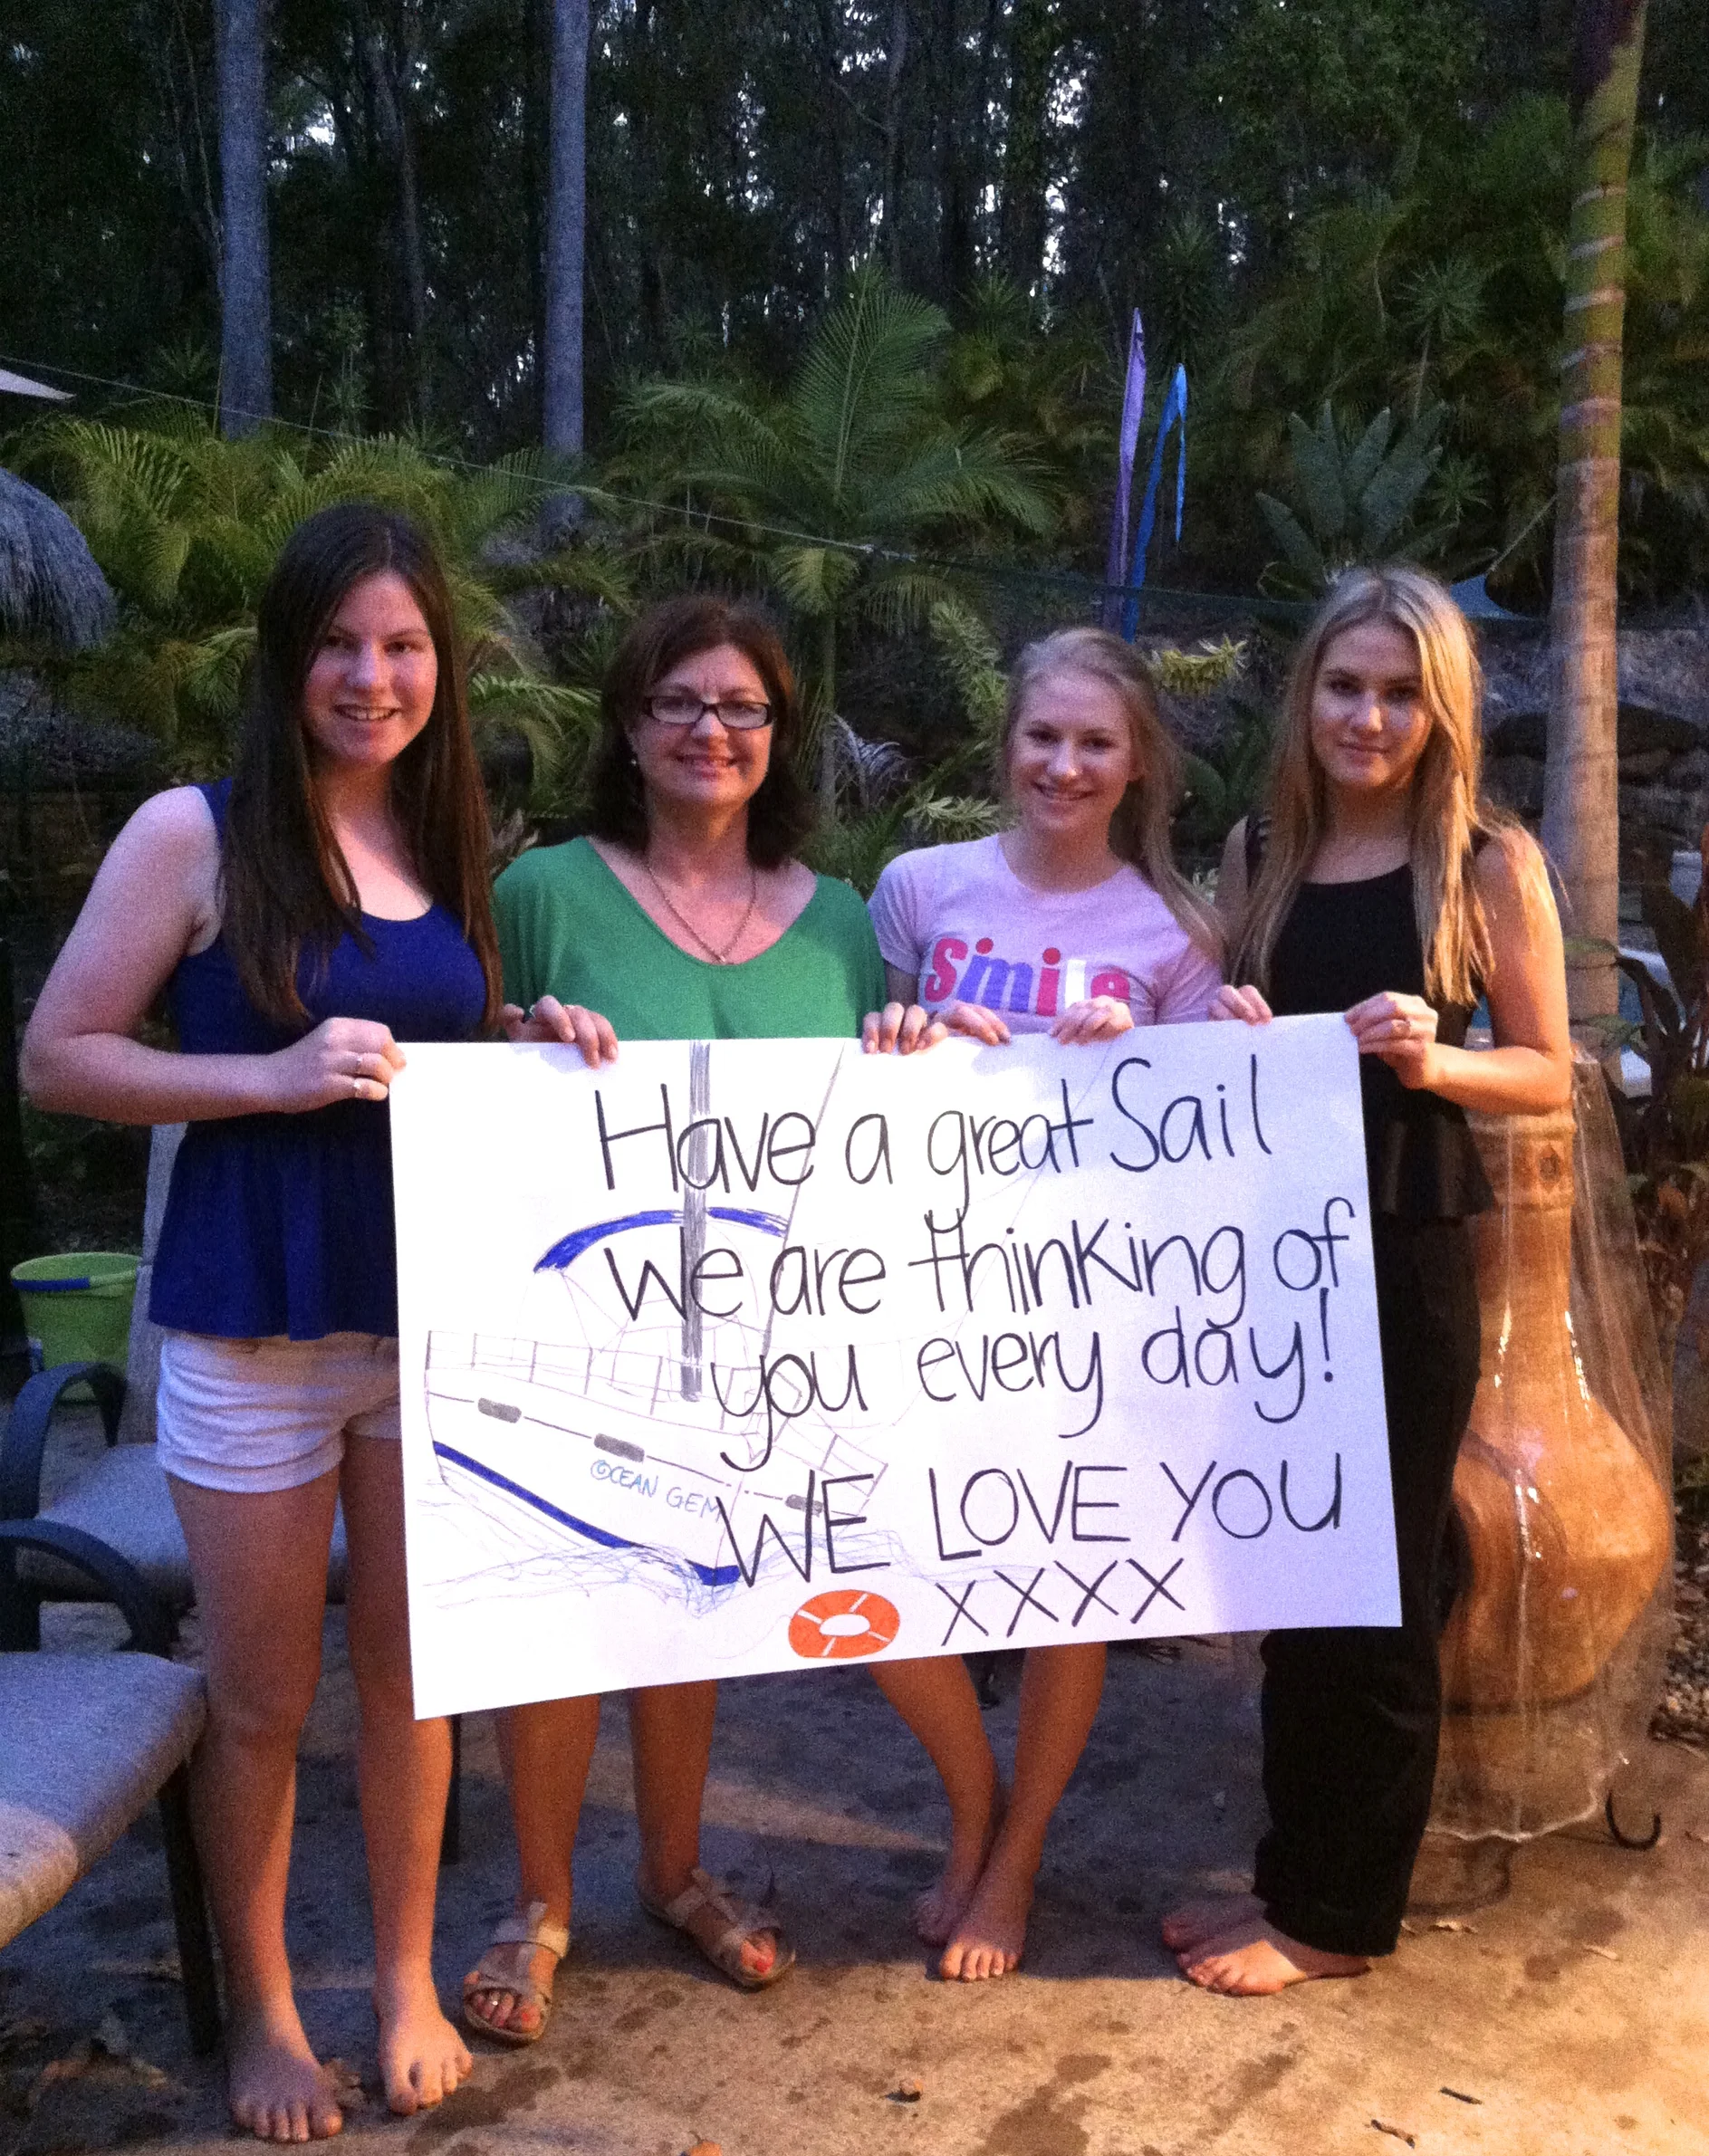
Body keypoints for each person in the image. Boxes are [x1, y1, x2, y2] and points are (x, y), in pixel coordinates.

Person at [21, 504, 495, 2136]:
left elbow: (456, 1044)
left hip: (421, 1328)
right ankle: (270, 2014)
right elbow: (59, 1054)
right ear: (290, 656)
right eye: (341, 644)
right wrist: (265, 1078)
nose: (372, 677)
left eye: (405, 646)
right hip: (250, 1335)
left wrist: (536, 1028)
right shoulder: (196, 833)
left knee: (417, 1680)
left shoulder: (448, 838)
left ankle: (413, 1976)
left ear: (441, 663)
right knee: (264, 1699)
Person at [462, 593, 888, 2044]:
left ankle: (672, 1872)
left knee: (690, 1612)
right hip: (569, 1334)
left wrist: (908, 1043)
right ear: (631, 731)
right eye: (681, 703)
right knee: (555, 1611)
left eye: (745, 707)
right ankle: (535, 1900)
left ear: (778, 737)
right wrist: (517, 1041)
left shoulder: (840, 923)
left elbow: (880, 1138)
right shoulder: (544, 896)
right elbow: (456, 1098)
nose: (714, 730)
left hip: (764, 1348)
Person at [1162, 564, 1572, 1996]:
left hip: (1399, 1252)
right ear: (1306, 695)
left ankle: (1338, 1921)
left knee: (1380, 1579)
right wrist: (1226, 1028)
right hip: (1267, 1256)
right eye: (1344, 686)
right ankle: (1287, 1874)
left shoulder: (1483, 865)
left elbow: (1548, 1076)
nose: (1368, 716)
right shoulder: (1256, 845)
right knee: (1289, 1568)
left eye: (1400, 693)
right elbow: (1229, 1056)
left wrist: (1429, 1056)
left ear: (1441, 709)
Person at [861, 625, 1224, 1979]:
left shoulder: (1173, 932)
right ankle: (973, 1810)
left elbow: (1207, 1143)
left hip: (1090, 1301)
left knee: (1069, 1584)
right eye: (1041, 735)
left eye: (1094, 743)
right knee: (881, 1562)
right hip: (915, 1277)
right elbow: (856, 1078)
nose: (1061, 765)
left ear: (1137, 764)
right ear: (1004, 742)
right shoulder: (916, 887)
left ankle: (1010, 1865)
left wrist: (1164, 1048)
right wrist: (904, 1036)